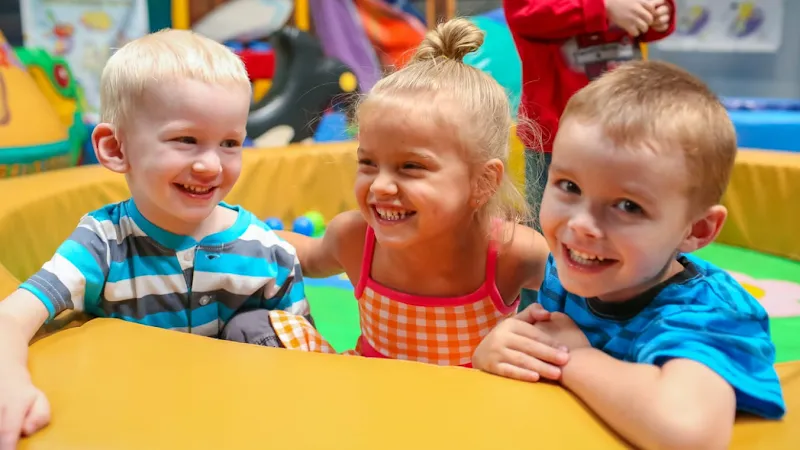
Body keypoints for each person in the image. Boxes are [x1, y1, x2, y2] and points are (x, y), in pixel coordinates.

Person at [0, 29, 312, 448]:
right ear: (115, 148)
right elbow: (11, 316)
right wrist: (10, 381)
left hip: (239, 425)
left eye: (230, 143)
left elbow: (309, 362)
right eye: (186, 140)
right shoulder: (103, 244)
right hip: (130, 424)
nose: (210, 165)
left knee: (262, 328)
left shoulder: (266, 252)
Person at [472, 60, 786, 450]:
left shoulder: (706, 316)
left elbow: (689, 436)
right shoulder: (570, 264)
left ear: (696, 230)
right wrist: (498, 346)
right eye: (569, 185)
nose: (582, 224)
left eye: (628, 206)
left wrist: (569, 357)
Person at [258, 18, 553, 366]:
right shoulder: (356, 238)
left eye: (411, 167)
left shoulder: (510, 253)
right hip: (375, 405)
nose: (380, 185)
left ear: (483, 182)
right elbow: (302, 254)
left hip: (471, 414)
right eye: (367, 163)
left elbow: (590, 302)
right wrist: (229, 230)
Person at [504, 0, 677, 310]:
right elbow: (524, 14)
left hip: (626, 126)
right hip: (554, 132)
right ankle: (537, 313)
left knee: (623, 227)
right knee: (548, 236)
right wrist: (604, 10)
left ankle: (619, 309)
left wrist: (658, 15)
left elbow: (641, 22)